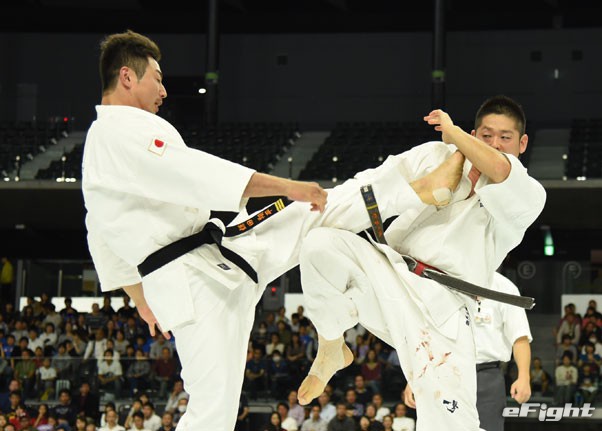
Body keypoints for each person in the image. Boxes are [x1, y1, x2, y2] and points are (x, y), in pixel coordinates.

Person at [295, 95, 546, 431]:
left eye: (505, 137)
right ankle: (331, 345)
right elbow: (380, 181)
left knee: (451, 425)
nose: (495, 144)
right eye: (486, 136)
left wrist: (454, 133)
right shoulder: (439, 158)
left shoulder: (528, 193)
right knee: (320, 245)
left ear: (522, 143)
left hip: (444, 309)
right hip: (392, 273)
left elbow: (500, 168)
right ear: (475, 134)